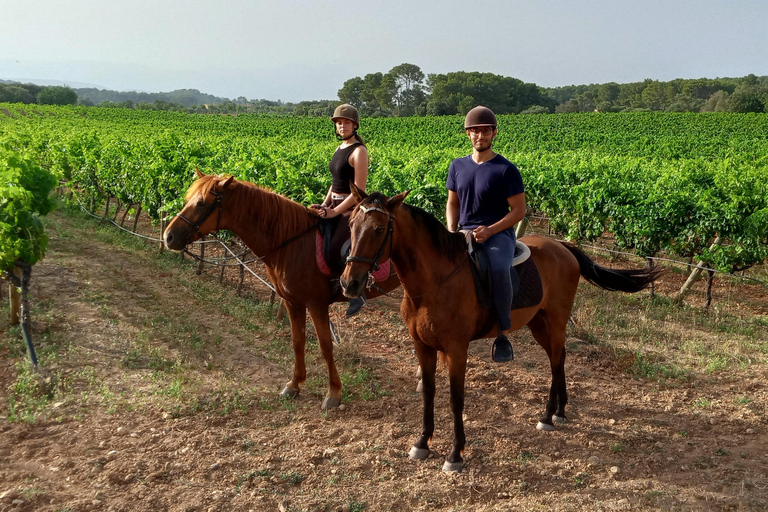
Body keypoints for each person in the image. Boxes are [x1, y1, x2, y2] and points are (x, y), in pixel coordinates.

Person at [446, 106, 526, 362]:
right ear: (467, 134)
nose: (480, 135)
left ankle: (502, 333)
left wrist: (491, 230)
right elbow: (453, 202)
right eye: (475, 131)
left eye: (485, 131)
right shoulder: (457, 166)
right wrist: (451, 229)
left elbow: (519, 210)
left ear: (494, 133)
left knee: (499, 269)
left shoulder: (506, 169)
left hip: (498, 233)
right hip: (464, 231)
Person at [309, 103, 369, 317]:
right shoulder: (340, 148)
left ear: (355, 125)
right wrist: (325, 204)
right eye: (339, 123)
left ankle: (358, 290)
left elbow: (358, 191)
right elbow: (334, 183)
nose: (342, 126)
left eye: (346, 123)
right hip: (334, 204)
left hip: (350, 208)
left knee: (338, 247)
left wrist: (335, 212)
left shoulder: (359, 151)